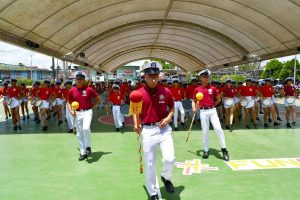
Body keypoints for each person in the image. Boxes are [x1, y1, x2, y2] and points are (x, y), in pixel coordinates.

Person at [133, 62, 175, 200]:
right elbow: (135, 112)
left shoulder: (166, 91)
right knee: (150, 164)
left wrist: (168, 118)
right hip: (148, 131)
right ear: (144, 76)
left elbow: (172, 108)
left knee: (170, 158)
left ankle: (166, 177)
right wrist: (136, 124)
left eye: (155, 75)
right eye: (150, 75)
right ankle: (153, 193)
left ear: (159, 76)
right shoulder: (138, 94)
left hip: (164, 130)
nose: (153, 78)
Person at [192, 69, 229, 161]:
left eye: (208, 76)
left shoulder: (213, 88)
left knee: (218, 129)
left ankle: (224, 150)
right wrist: (194, 108)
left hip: (212, 111)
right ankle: (206, 150)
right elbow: (194, 101)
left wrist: (213, 105)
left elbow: (218, 99)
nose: (207, 78)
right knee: (205, 131)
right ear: (201, 78)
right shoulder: (197, 89)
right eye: (205, 76)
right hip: (203, 112)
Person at [68, 72, 100, 161]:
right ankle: (83, 152)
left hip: (87, 111)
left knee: (86, 128)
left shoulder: (89, 89)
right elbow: (68, 101)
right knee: (79, 133)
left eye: (81, 79)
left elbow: (97, 98)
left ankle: (88, 146)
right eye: (77, 79)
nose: (79, 81)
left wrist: (92, 107)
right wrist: (71, 111)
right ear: (75, 80)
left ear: (84, 80)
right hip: (77, 113)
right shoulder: (71, 90)